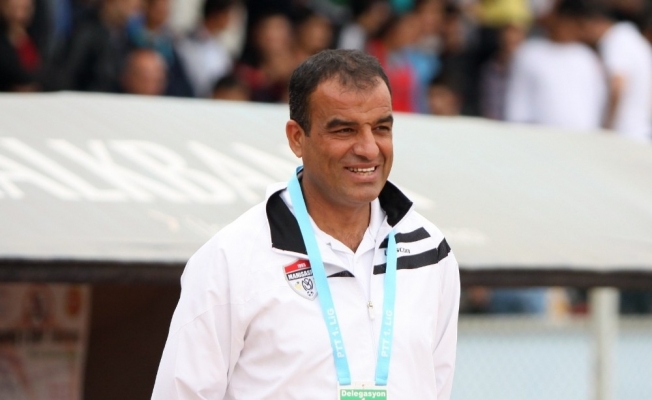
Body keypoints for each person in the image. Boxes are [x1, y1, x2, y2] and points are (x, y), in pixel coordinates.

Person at [152, 49, 460, 399]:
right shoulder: (230, 258)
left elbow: (437, 387)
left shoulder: (431, 250)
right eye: (344, 130)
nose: (369, 148)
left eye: (381, 128)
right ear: (297, 138)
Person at [558, 0, 652, 142]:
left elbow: (617, 85)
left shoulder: (615, 40)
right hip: (640, 131)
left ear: (591, 22)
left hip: (625, 134)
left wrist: (607, 128)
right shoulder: (632, 37)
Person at [504, 7, 607, 130]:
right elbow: (517, 100)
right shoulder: (529, 53)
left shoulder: (586, 57)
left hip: (581, 136)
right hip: (538, 135)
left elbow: (597, 100)